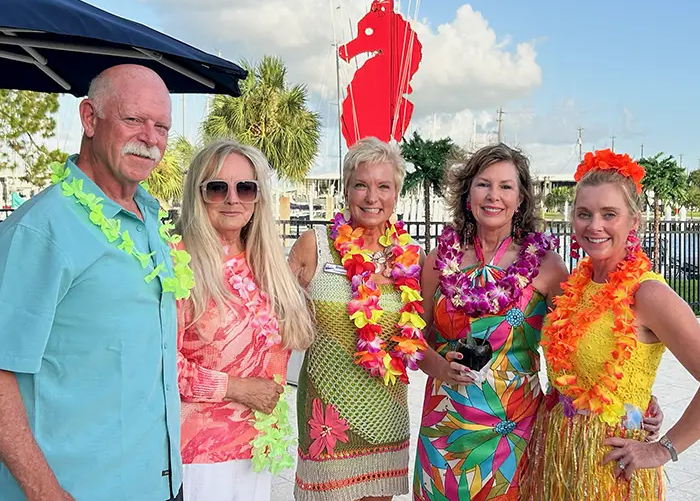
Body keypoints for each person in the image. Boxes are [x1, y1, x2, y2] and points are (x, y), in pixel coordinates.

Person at [411, 144, 662, 501]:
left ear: (521, 198)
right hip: (444, 422)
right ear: (468, 194)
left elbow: (586, 340)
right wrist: (436, 364)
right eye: (483, 184)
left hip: (517, 429)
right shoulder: (439, 260)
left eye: (506, 186)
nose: (493, 196)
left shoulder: (546, 266)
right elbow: (412, 339)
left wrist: (637, 398)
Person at [0, 65, 185, 500]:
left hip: (160, 482)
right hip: (77, 489)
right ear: (89, 119)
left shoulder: (151, 218)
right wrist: (45, 491)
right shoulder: (41, 229)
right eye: (134, 119)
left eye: (162, 126)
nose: (151, 138)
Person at [520, 149, 700, 500]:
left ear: (634, 220)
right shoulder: (577, 285)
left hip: (610, 466)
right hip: (556, 454)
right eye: (584, 214)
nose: (595, 225)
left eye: (609, 214)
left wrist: (665, 448)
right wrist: (641, 401)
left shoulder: (648, 294)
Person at [175, 140, 315, 501]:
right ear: (198, 193)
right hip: (201, 453)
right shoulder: (178, 264)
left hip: (258, 446)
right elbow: (161, 364)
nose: (232, 199)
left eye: (245, 188)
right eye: (217, 188)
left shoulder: (265, 264)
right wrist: (237, 388)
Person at [289, 137, 428, 501]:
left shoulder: (413, 257)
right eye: (361, 185)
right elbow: (275, 319)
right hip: (327, 417)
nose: (372, 197)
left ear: (397, 192)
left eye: (384, 186)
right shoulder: (315, 244)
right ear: (346, 188)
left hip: (385, 416)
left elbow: (426, 336)